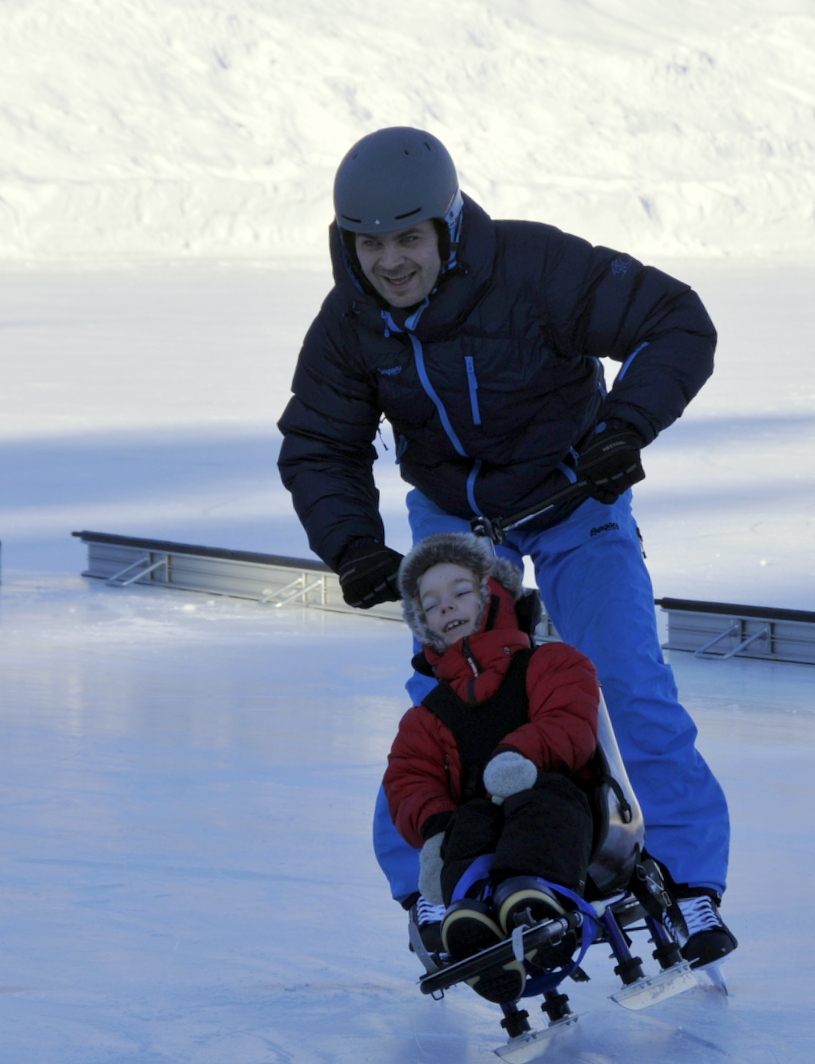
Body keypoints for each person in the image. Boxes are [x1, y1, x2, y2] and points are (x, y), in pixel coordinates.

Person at [277, 126, 736, 967]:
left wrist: (624, 427)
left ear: (447, 227)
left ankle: (689, 883)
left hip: (572, 501)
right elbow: (319, 442)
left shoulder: (532, 269)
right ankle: (432, 888)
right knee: (444, 707)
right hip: (455, 525)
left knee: (625, 682)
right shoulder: (351, 321)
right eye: (368, 243)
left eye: (407, 238)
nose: (389, 262)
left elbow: (676, 322)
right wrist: (354, 547)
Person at [386, 533, 599, 1002]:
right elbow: (408, 776)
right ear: (423, 623)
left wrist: (518, 755)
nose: (448, 606)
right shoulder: (428, 715)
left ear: (494, 596)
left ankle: (530, 897)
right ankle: (475, 925)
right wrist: (435, 824)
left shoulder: (552, 663)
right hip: (479, 819)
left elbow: (569, 721)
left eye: (461, 592)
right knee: (464, 827)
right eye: (432, 603)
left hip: (555, 804)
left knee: (545, 801)